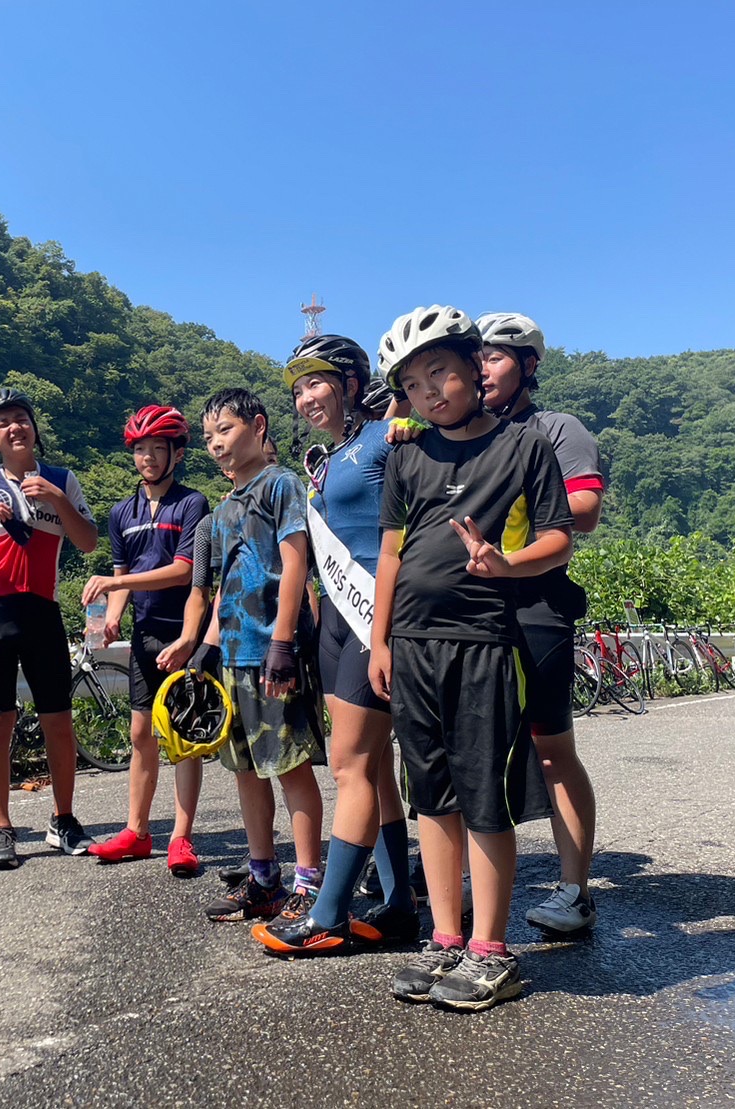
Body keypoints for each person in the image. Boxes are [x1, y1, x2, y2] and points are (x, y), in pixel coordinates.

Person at [370, 305, 573, 1011]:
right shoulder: (407, 455)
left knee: (483, 794)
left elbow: (558, 538)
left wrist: (506, 563)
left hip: (485, 640)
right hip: (411, 642)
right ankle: (446, 936)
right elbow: (390, 552)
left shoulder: (524, 446)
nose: (428, 391)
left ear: (472, 367)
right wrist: (380, 640)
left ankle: (491, 949)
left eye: (439, 372)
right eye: (412, 384)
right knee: (430, 793)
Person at [255, 334, 418, 955]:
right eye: (298, 390)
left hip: (377, 615)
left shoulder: (385, 438)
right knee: (370, 767)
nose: (305, 398)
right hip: (336, 623)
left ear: (351, 384)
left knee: (350, 766)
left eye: (316, 383)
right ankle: (398, 905)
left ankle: (328, 915)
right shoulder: (325, 460)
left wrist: (404, 420)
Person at [477, 312, 605, 934]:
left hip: (535, 602)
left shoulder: (556, 428)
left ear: (528, 366)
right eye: (474, 359)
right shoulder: (464, 432)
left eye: (495, 357)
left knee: (551, 750)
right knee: (471, 746)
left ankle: (575, 889)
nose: (481, 370)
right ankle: (466, 874)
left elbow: (584, 508)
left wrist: (516, 495)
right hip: (471, 607)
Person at [0, 388, 99, 869]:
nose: (15, 427)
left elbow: (88, 542)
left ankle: (63, 819)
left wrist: (58, 499)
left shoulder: (62, 478)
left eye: (22, 418)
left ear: (34, 428)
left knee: (58, 719)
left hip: (43, 610)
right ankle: (0, 829)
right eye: (3, 423)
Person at [189, 387, 327, 923]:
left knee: (290, 767)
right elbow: (226, 585)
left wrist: (283, 642)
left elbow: (296, 564)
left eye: (225, 430)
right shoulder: (224, 508)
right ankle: (264, 878)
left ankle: (309, 883)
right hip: (234, 655)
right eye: (208, 437)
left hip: (274, 652)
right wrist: (207, 647)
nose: (216, 444)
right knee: (246, 770)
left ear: (259, 426)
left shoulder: (281, 485)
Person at [81, 406, 210, 876]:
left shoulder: (192, 504)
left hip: (185, 634)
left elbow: (183, 570)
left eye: (158, 448)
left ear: (178, 454)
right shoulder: (122, 512)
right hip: (145, 633)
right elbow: (123, 573)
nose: (149, 457)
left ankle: (181, 837)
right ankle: (136, 831)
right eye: (141, 449)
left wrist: (117, 586)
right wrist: (113, 616)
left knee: (184, 736)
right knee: (140, 734)